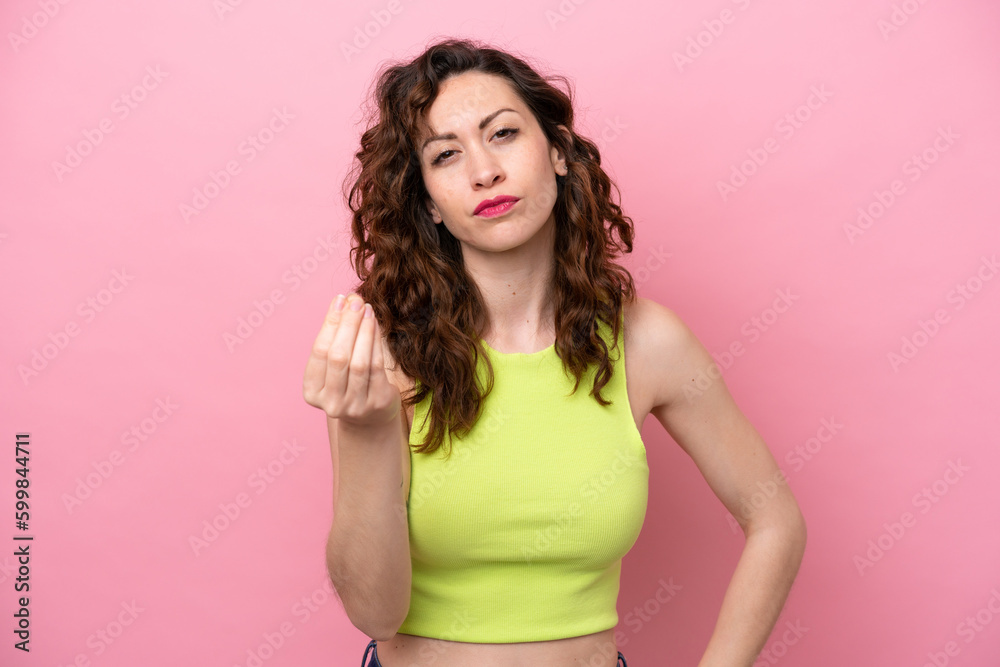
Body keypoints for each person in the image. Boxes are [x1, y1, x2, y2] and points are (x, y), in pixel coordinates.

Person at [302, 37, 807, 667]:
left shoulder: (648, 343)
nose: (484, 171)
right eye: (446, 154)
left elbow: (775, 521)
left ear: (559, 152)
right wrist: (366, 427)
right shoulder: (383, 352)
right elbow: (375, 613)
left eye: (503, 134)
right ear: (428, 200)